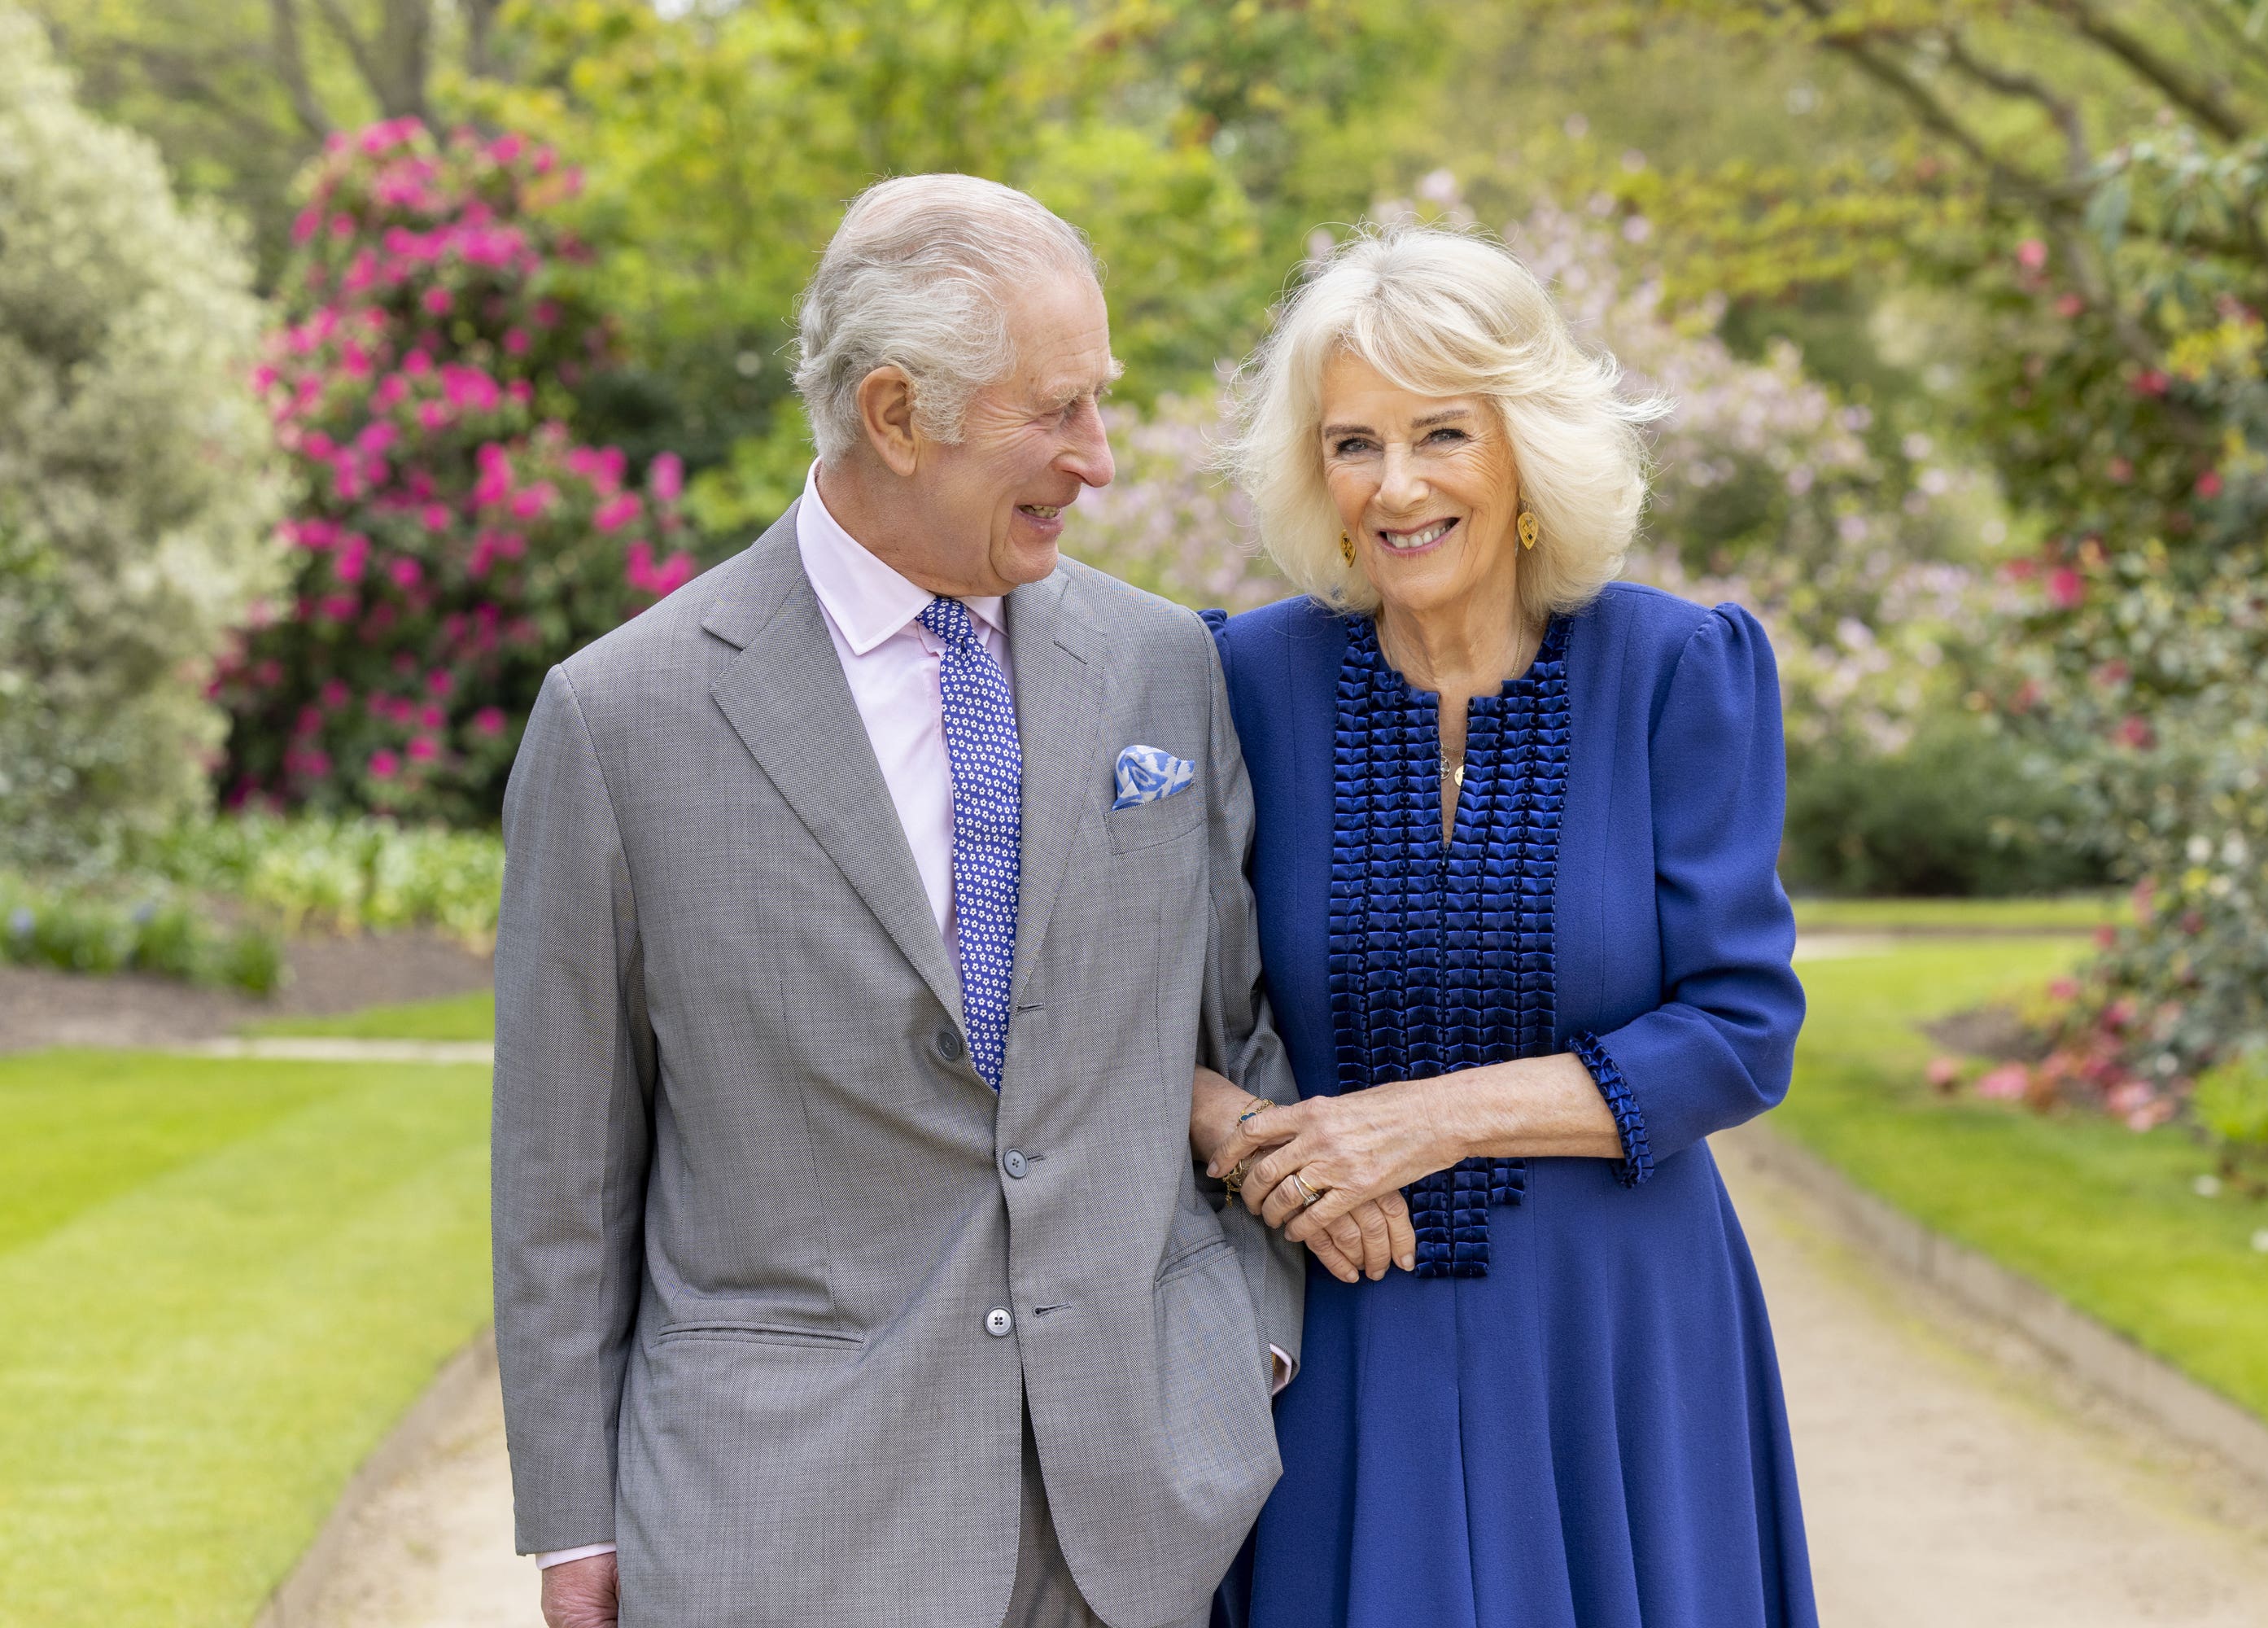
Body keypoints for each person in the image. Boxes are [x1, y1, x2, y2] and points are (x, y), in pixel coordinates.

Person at [492, 174, 1377, 1628]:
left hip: (1136, 1508)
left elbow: (1238, 1025)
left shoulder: (1164, 669)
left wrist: (1243, 1346)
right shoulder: (620, 722)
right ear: (897, 415)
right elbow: (562, 1176)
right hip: (777, 1526)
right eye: (1057, 411)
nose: (1099, 459)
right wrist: (573, 1521)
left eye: (1099, 401)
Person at [1192, 224, 1819, 1627]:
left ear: (1525, 446)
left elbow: (1739, 1034)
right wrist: (1245, 1139)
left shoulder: (1679, 670)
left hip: (1622, 1343)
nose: (1397, 485)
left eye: (1441, 434)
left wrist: (1428, 1121)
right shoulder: (1233, 680)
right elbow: (1112, 1006)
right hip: (1341, 1326)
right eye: (1353, 443)